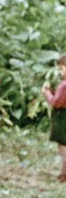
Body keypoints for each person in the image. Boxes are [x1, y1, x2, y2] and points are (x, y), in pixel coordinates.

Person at [41, 54, 66, 182]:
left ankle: (64, 173)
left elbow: (56, 102)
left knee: (63, 146)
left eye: (62, 68)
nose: (60, 71)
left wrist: (47, 93)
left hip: (62, 117)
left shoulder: (64, 85)